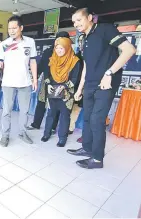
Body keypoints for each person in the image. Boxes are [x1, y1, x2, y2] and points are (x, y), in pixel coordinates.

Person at [67, 8, 136, 169]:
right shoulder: (83, 38)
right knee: (87, 118)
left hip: (106, 83)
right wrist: (79, 89)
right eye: (74, 22)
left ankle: (97, 159)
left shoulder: (105, 29)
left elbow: (129, 50)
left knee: (97, 120)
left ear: (90, 17)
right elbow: (86, 65)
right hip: (90, 84)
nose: (76, 24)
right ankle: (87, 148)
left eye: (79, 19)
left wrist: (109, 73)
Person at [0, 15, 38, 147]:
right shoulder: (4, 44)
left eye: (14, 28)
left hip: (25, 83)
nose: (11, 31)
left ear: (21, 28)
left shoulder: (30, 42)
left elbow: (33, 61)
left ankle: (23, 132)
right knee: (7, 110)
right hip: (8, 83)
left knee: (25, 111)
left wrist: (34, 80)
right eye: (9, 28)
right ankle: (5, 135)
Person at [41, 37, 81, 147]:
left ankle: (62, 138)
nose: (58, 50)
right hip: (52, 90)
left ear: (67, 48)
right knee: (50, 114)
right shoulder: (52, 59)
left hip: (66, 93)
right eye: (57, 48)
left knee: (64, 116)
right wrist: (48, 84)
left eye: (61, 48)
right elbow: (47, 74)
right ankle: (46, 134)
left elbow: (75, 79)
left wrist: (64, 87)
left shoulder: (74, 61)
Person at [27, 32, 70, 133]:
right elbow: (42, 65)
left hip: (59, 83)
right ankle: (36, 124)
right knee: (41, 103)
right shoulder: (48, 51)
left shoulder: (69, 55)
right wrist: (35, 77)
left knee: (55, 106)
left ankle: (52, 127)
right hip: (46, 81)